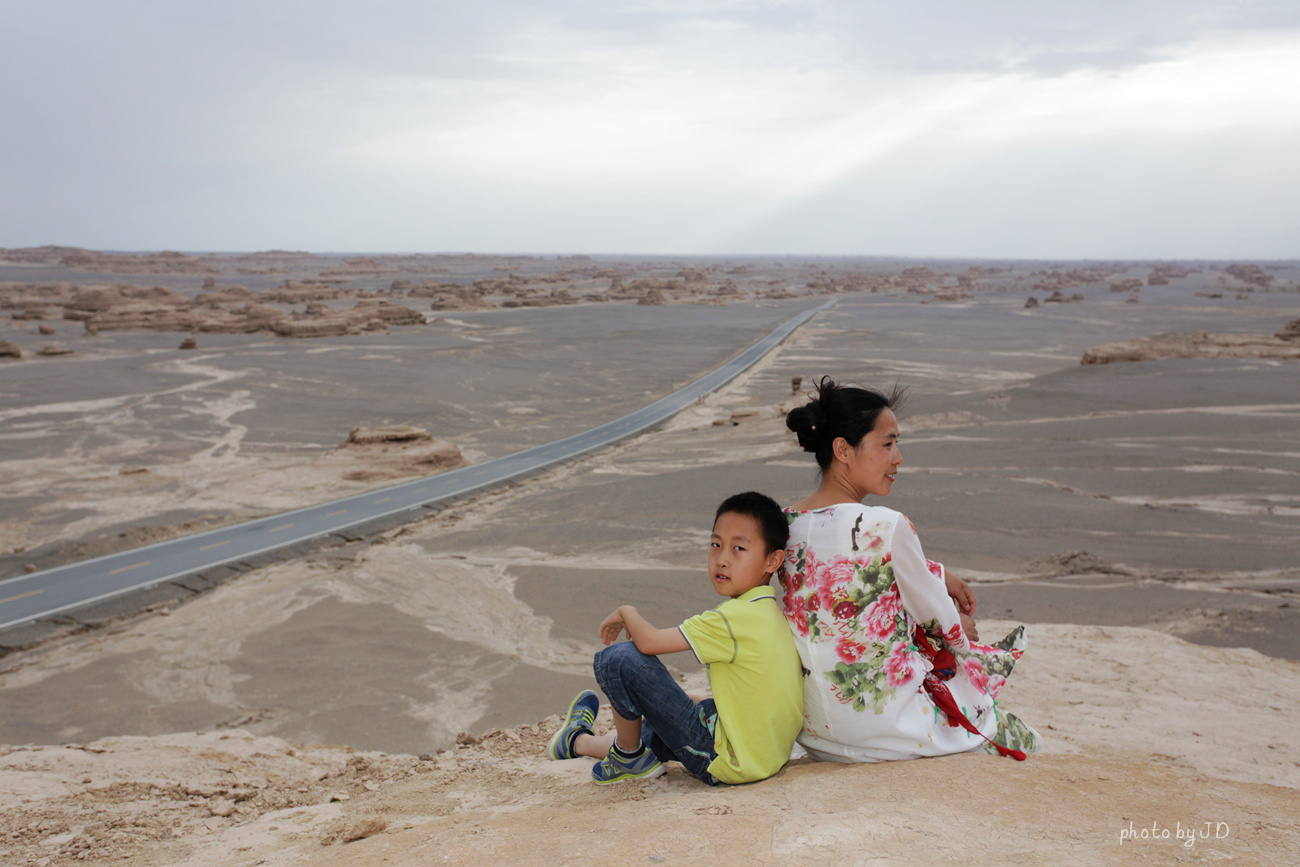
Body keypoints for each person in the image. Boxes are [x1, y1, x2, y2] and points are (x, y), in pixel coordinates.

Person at [780, 377, 1041, 763]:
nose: (898, 457)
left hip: (815, 730)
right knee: (1024, 737)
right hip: (887, 730)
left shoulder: (785, 523)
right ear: (843, 450)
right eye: (887, 444)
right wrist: (960, 631)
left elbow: (847, 561)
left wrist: (938, 573)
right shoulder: (886, 525)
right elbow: (943, 623)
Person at [546, 491, 804, 786]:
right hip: (762, 754)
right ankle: (576, 741)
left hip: (725, 760)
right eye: (716, 545)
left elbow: (649, 643)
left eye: (738, 549)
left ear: (773, 561)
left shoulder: (734, 617)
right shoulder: (769, 611)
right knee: (679, 714)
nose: (721, 560)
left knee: (618, 659)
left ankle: (628, 758)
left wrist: (626, 611)